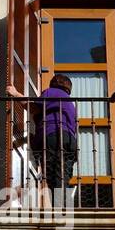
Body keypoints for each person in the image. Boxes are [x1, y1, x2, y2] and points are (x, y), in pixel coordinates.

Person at [32, 73, 78, 201]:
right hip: (70, 140)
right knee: (64, 176)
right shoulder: (70, 103)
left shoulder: (52, 92)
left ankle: (59, 210)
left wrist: (16, 95)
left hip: (54, 136)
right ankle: (65, 209)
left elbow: (33, 107)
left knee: (53, 177)